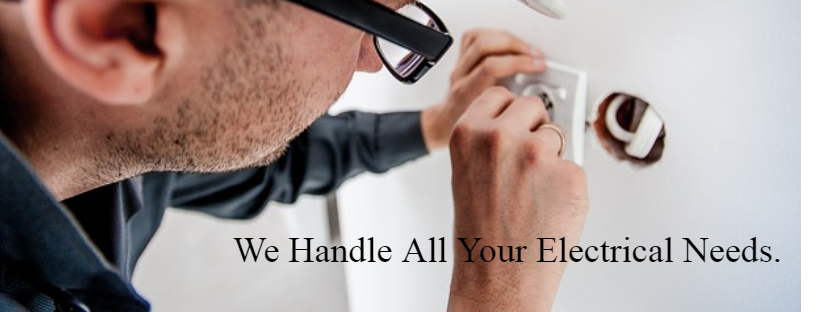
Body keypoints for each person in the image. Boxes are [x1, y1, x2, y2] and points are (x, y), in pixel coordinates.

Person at [0, 0, 590, 311]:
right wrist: (498, 297)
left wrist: (435, 126)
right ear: (120, 28)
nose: (370, 60)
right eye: (376, 19)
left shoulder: (120, 131)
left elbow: (266, 160)